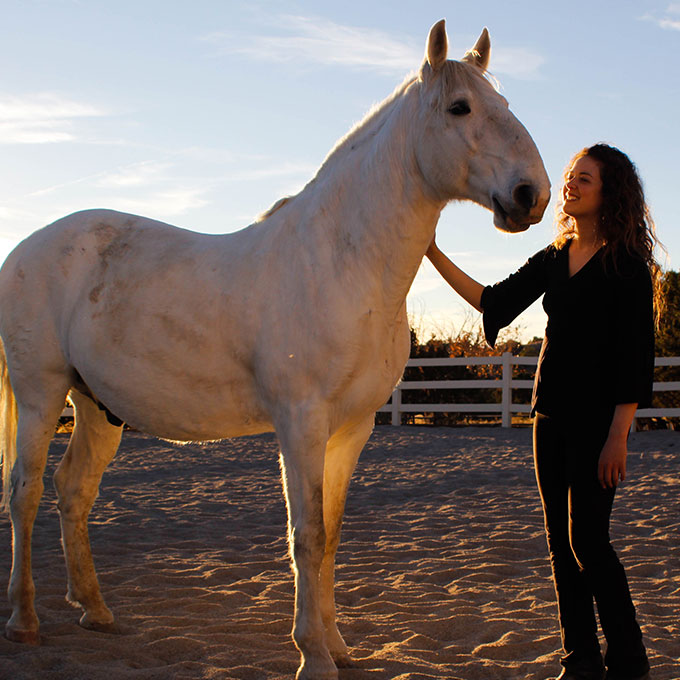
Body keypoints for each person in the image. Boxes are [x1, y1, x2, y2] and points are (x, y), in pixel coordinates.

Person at [426, 143, 663, 680]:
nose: (570, 185)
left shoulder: (626, 266)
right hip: (549, 416)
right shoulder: (554, 257)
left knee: (590, 542)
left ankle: (629, 661)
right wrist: (432, 252)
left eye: (584, 178)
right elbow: (493, 302)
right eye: (570, 176)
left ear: (609, 192)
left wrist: (619, 435)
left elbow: (635, 356)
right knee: (560, 544)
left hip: (599, 424)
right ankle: (579, 660)